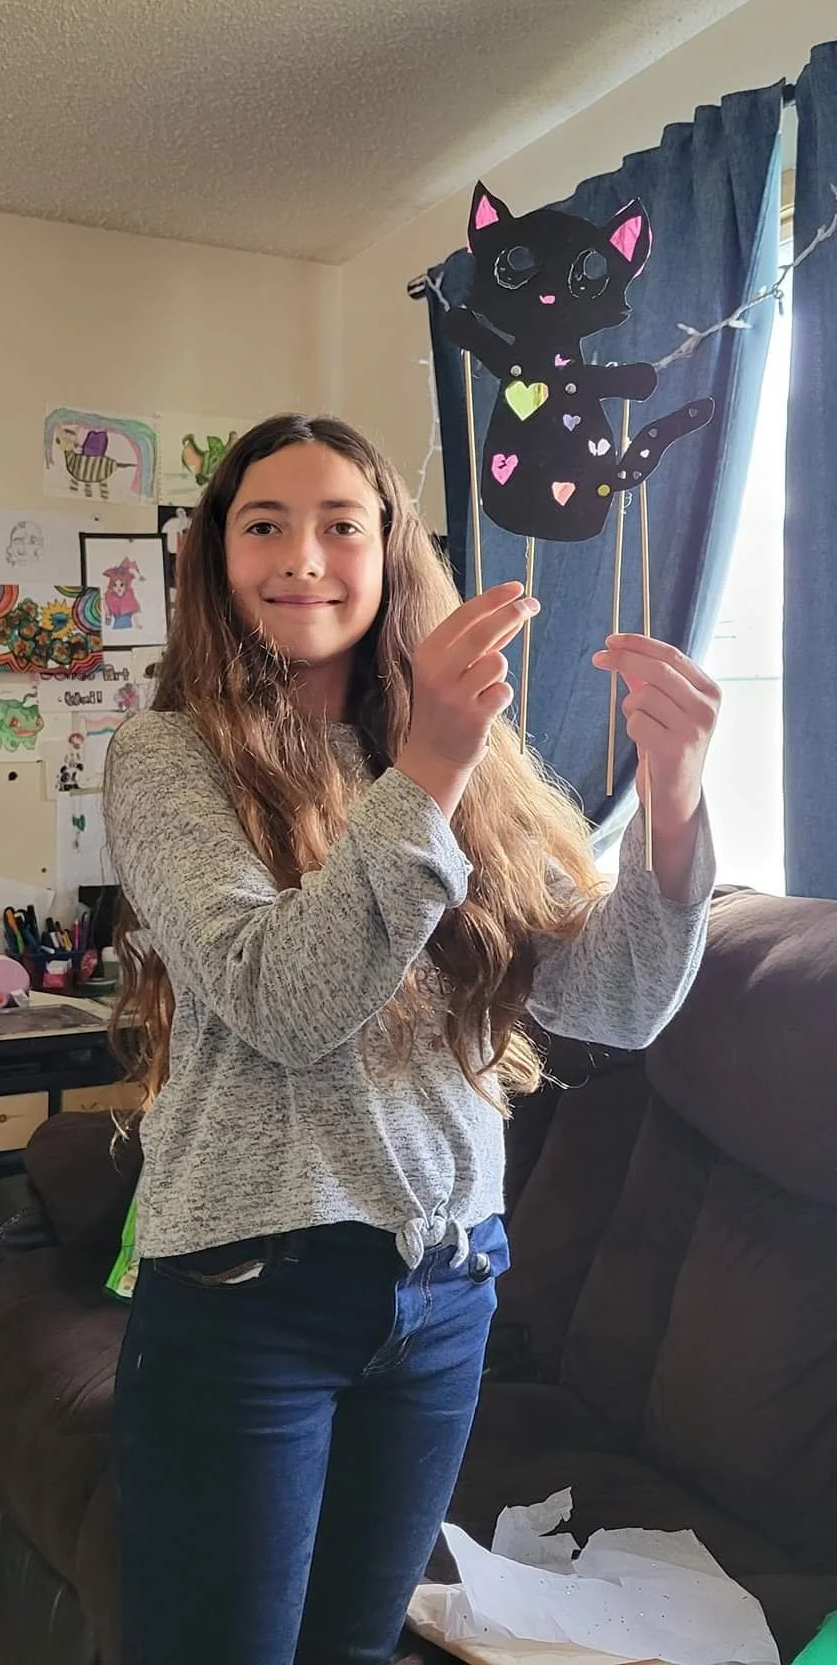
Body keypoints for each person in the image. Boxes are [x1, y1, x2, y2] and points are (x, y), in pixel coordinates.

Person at [104, 412, 719, 1665]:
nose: (305, 556)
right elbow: (284, 999)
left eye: (343, 523)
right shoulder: (167, 756)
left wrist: (673, 804)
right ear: (214, 558)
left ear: (391, 553)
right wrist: (429, 765)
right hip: (246, 1294)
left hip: (444, 1289)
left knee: (356, 1647)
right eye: (263, 524)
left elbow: (614, 1002)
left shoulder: (466, 766)